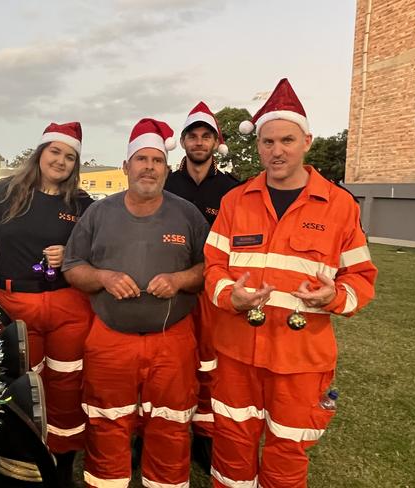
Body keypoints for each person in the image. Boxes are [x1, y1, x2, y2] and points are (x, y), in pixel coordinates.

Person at [204, 78, 378, 487]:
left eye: (287, 140)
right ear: (257, 145)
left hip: (301, 358)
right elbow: (212, 268)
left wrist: (336, 296)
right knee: (231, 445)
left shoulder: (340, 206)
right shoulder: (235, 201)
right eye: (267, 142)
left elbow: (361, 279)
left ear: (307, 141)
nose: (276, 151)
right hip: (236, 354)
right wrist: (232, 296)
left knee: (287, 453)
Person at [63, 118, 209, 488]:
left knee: (172, 424)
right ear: (126, 167)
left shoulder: (187, 214)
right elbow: (72, 265)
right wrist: (103, 278)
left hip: (172, 339)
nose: (149, 167)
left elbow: (210, 267)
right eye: (141, 159)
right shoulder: (99, 213)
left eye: (157, 160)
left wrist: (179, 280)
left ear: (166, 167)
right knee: (107, 421)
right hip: (111, 339)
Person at [0, 122, 94, 485]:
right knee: (20, 387)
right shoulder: (4, 192)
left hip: (67, 304)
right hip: (13, 302)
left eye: (70, 156)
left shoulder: (81, 203)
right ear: (40, 153)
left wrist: (71, 254)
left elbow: (98, 253)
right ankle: (20, 463)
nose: (61, 160)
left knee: (67, 385)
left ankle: (63, 466)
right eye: (55, 151)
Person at [164, 101, 239, 473]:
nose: (198, 142)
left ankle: (205, 438)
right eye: (192, 136)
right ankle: (156, 432)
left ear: (215, 142)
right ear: (182, 142)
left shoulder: (232, 190)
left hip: (212, 293)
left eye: (205, 136)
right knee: (169, 364)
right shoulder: (165, 184)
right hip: (170, 289)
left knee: (210, 366)